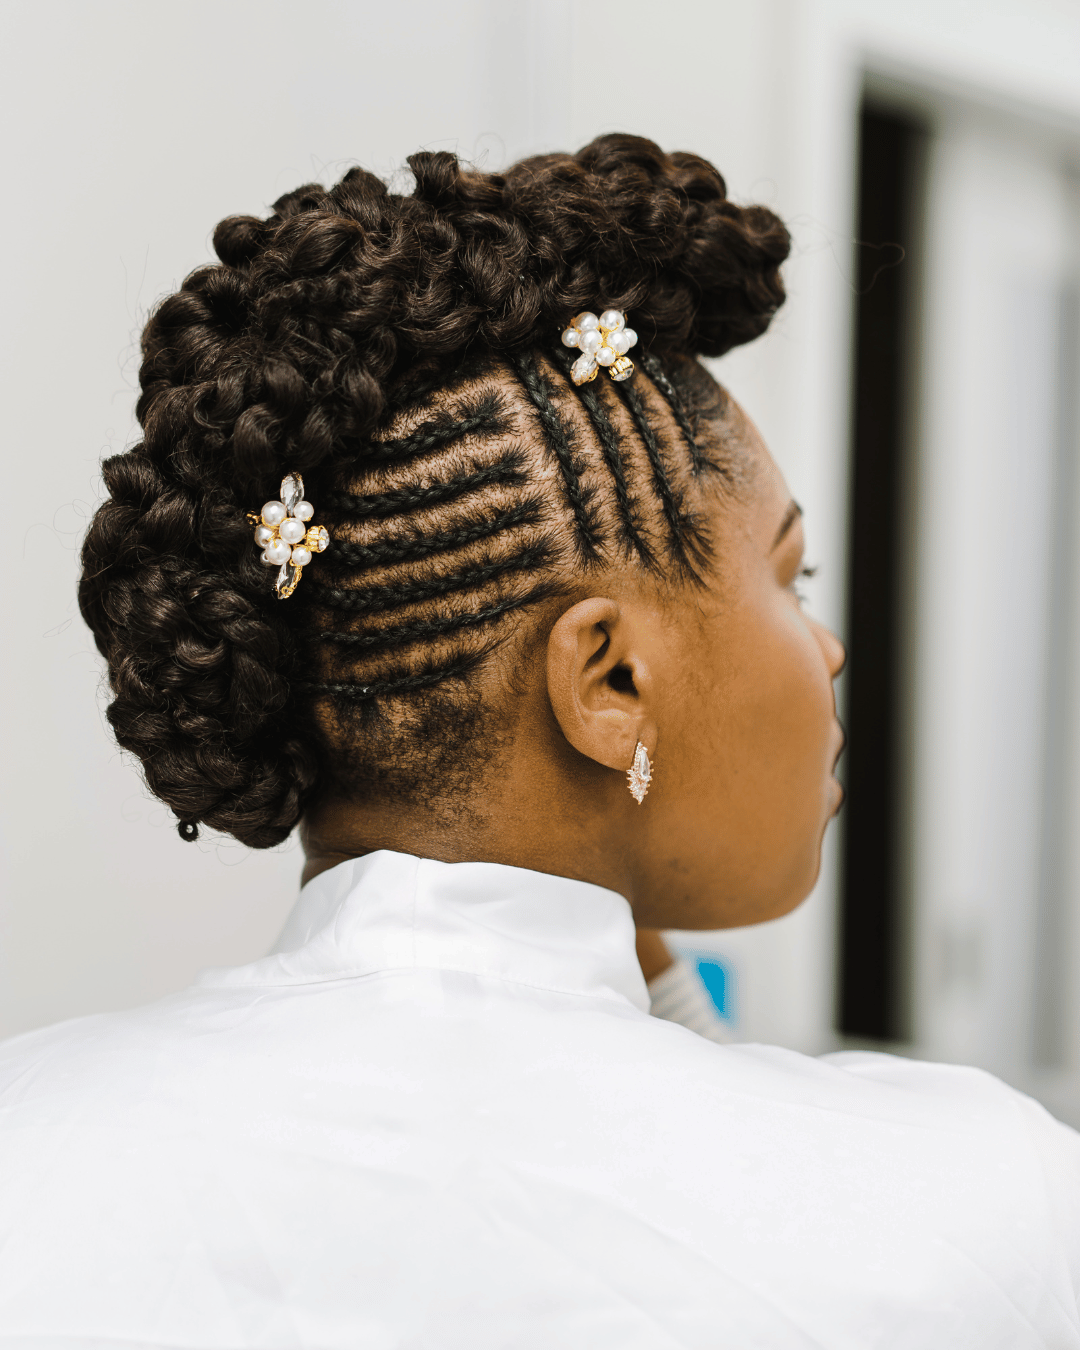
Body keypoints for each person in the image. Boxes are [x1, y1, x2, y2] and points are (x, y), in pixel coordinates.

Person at [1, 134, 1077, 1348]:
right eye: (794, 574)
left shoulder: (27, 1134)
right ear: (608, 679)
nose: (826, 649)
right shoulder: (986, 1210)